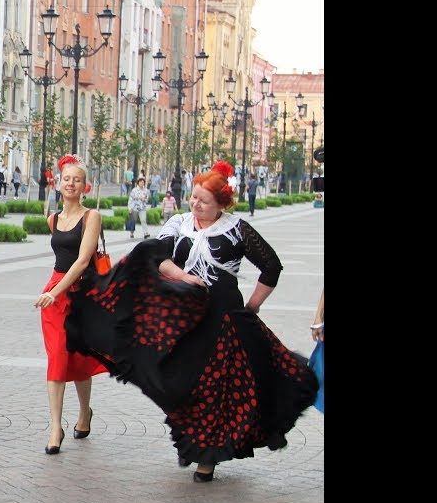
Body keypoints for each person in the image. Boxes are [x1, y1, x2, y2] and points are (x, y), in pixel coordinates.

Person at [66, 161, 319, 482]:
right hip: (184, 321)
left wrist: (253, 306)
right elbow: (154, 257)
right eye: (194, 197)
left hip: (225, 320)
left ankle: (207, 456)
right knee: (182, 384)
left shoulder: (237, 229)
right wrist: (182, 275)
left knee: (216, 388)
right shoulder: (179, 223)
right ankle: (200, 444)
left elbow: (271, 266)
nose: (196, 204)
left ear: (221, 205)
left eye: (204, 201)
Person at [33, 155, 108, 455]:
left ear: (84, 185)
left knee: (79, 360)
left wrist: (56, 291)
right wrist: (52, 291)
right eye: (67, 178)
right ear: (58, 183)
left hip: (81, 294)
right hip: (54, 291)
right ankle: (55, 427)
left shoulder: (92, 217)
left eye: (77, 179)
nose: (71, 183)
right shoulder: (52, 218)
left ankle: (84, 412)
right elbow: (61, 260)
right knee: (57, 358)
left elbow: (81, 262)